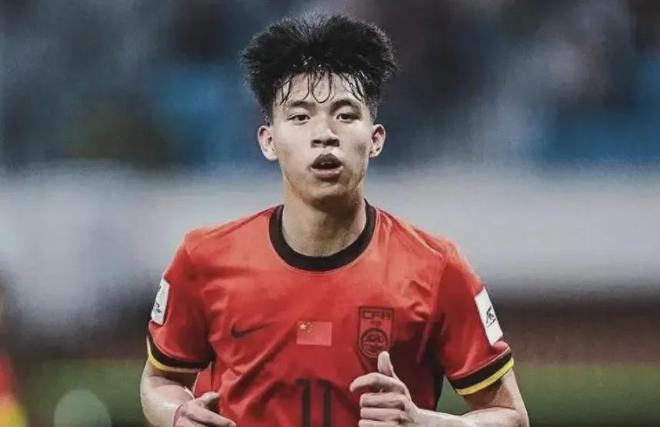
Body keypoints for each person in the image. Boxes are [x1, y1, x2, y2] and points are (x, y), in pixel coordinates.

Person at [140, 14, 528, 427]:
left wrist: (425, 423)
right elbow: (160, 380)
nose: (324, 133)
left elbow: (511, 417)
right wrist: (177, 415)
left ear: (375, 139)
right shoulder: (203, 258)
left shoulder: (437, 268)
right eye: (300, 117)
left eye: (344, 115)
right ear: (268, 141)